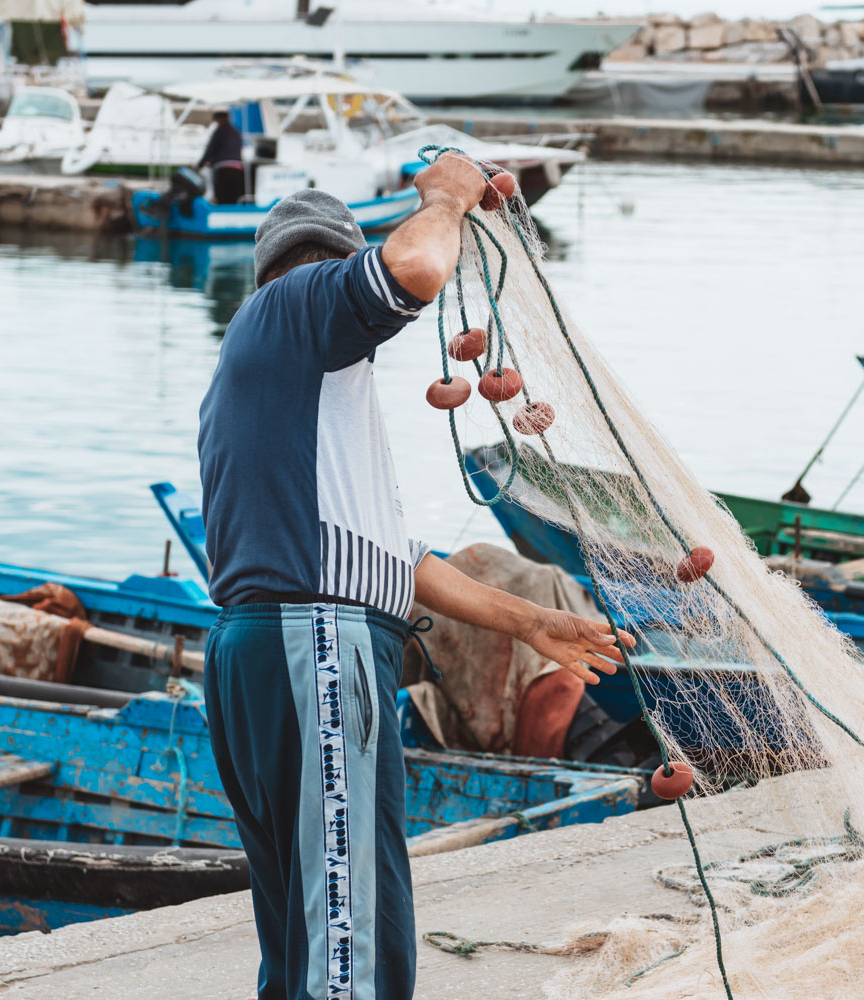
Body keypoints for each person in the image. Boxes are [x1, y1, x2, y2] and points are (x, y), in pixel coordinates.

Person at [197, 156, 632, 1000]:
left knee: (310, 930)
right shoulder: (298, 306)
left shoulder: (285, 383)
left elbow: (392, 558)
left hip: (268, 648)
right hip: (314, 643)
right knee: (349, 940)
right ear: (328, 264)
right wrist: (446, 197)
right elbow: (420, 267)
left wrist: (527, 622)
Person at [197, 110, 245, 204]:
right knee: (233, 196)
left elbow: (211, 149)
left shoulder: (219, 131)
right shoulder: (236, 132)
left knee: (222, 196)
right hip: (237, 167)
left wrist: (200, 164)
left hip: (223, 167)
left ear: (218, 119)